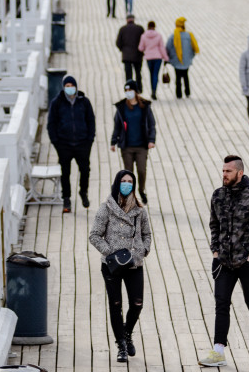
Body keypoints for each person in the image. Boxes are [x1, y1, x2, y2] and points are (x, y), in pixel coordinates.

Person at [198, 156, 249, 368]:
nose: (224, 175)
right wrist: (214, 250)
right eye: (223, 171)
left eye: (228, 171)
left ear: (239, 173)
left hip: (246, 262)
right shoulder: (218, 195)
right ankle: (218, 351)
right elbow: (214, 224)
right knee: (221, 304)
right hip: (223, 262)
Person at [89, 170, 152, 363]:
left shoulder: (139, 211)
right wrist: (111, 253)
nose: (127, 184)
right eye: (123, 181)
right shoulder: (106, 208)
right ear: (117, 184)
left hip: (134, 264)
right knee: (115, 305)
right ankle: (121, 346)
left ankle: (127, 333)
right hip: (112, 266)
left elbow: (147, 234)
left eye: (130, 182)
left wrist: (144, 250)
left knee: (137, 304)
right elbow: (94, 235)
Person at [46, 75, 96, 212]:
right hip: (64, 144)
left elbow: (91, 120)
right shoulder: (57, 103)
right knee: (65, 172)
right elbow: (51, 124)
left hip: (82, 143)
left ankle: (83, 192)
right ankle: (66, 199)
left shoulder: (84, 102)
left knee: (85, 170)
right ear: (63, 88)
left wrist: (90, 139)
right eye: (67, 86)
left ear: (76, 87)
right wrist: (56, 142)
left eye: (71, 86)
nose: (70, 88)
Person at [110, 81, 156, 203]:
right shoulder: (121, 108)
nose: (128, 93)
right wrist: (113, 142)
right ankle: (130, 195)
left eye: (130, 90)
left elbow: (151, 124)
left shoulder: (145, 106)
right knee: (128, 174)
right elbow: (117, 126)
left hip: (142, 146)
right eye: (126, 91)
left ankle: (141, 190)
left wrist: (151, 140)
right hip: (127, 146)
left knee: (141, 170)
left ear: (136, 91)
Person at [165, 17, 199, 99]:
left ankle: (179, 94)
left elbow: (167, 48)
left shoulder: (173, 36)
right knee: (186, 76)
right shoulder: (189, 35)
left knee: (178, 77)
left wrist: (169, 58)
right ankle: (187, 92)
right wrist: (190, 56)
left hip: (176, 60)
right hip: (187, 61)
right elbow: (193, 48)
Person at [138, 21, 169, 100]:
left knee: (151, 74)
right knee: (155, 74)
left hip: (149, 58)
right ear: (154, 27)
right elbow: (162, 48)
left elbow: (140, 48)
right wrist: (166, 58)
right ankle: (154, 91)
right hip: (158, 58)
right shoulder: (158, 36)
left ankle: (152, 89)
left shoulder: (143, 36)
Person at [116, 14, 145, 90]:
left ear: (127, 20)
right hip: (138, 55)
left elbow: (118, 42)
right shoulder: (140, 28)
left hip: (126, 56)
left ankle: (129, 88)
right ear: (133, 19)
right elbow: (144, 41)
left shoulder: (122, 29)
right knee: (138, 72)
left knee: (128, 74)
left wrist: (123, 50)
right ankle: (139, 88)